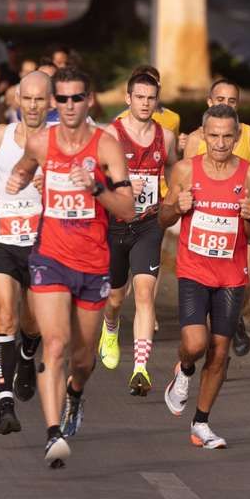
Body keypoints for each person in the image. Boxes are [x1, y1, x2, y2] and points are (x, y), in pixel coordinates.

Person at [4, 67, 133, 467]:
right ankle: (52, 433)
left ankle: (75, 395)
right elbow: (24, 166)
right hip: (51, 259)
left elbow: (127, 210)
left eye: (77, 98)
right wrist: (21, 181)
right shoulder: (43, 141)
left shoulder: (106, 146)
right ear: (55, 103)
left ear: (89, 100)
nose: (70, 105)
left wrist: (95, 187)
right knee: (55, 344)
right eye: (62, 99)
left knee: (82, 359)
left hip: (93, 263)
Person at [160, 104, 250, 449]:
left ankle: (201, 423)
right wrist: (177, 207)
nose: (220, 143)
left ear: (237, 138)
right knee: (195, 344)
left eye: (227, 136)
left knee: (220, 352)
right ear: (203, 136)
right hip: (194, 269)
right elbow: (162, 219)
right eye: (214, 135)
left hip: (232, 275)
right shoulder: (184, 171)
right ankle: (185, 368)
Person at [0, 71, 52, 434]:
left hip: (42, 243)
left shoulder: (58, 143)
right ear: (17, 100)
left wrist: (51, 180)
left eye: (40, 100)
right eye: (28, 99)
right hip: (2, 238)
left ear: (50, 102)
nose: (33, 106)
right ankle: (5, 405)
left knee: (31, 323)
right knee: (4, 318)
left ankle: (27, 352)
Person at [98, 71, 178, 395]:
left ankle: (141, 369)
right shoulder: (110, 134)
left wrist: (174, 198)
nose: (145, 104)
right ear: (128, 99)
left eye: (151, 98)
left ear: (157, 102)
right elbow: (94, 175)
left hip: (148, 224)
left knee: (144, 293)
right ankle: (110, 326)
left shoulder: (166, 137)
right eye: (139, 97)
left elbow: (173, 168)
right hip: (115, 224)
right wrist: (120, 185)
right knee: (116, 298)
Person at [184, 78, 250, 358]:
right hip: (209, 227)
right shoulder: (198, 138)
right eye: (220, 100)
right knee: (211, 288)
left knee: (244, 285)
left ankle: (234, 319)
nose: (226, 105)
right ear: (210, 102)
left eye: (232, 101)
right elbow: (186, 177)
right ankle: (217, 338)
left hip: (243, 224)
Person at [113, 65, 182, 138]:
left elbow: (173, 148)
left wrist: (181, 146)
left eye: (154, 82)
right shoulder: (120, 120)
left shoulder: (173, 118)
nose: (149, 87)